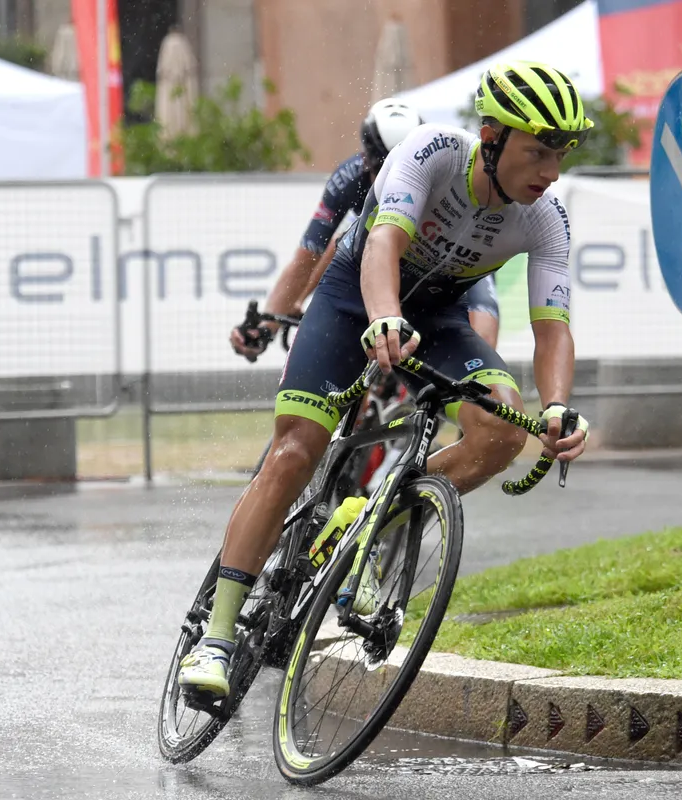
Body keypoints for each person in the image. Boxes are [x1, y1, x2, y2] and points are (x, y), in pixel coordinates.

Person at [181, 60, 593, 697]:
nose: (551, 172)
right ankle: (216, 636)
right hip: (354, 300)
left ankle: (370, 518)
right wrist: (383, 319)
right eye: (538, 152)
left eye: (560, 154)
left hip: (443, 314)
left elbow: (553, 328)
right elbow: (381, 248)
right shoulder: (430, 153)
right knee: (293, 453)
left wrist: (561, 405)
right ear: (491, 138)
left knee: (502, 429)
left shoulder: (546, 218)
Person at [230, 98, 501, 358]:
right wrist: (267, 327)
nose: (398, 182)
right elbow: (308, 259)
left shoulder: (450, 172)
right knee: (345, 249)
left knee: (482, 345)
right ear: (366, 160)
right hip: (383, 262)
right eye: (386, 169)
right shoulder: (349, 178)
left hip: (449, 265)